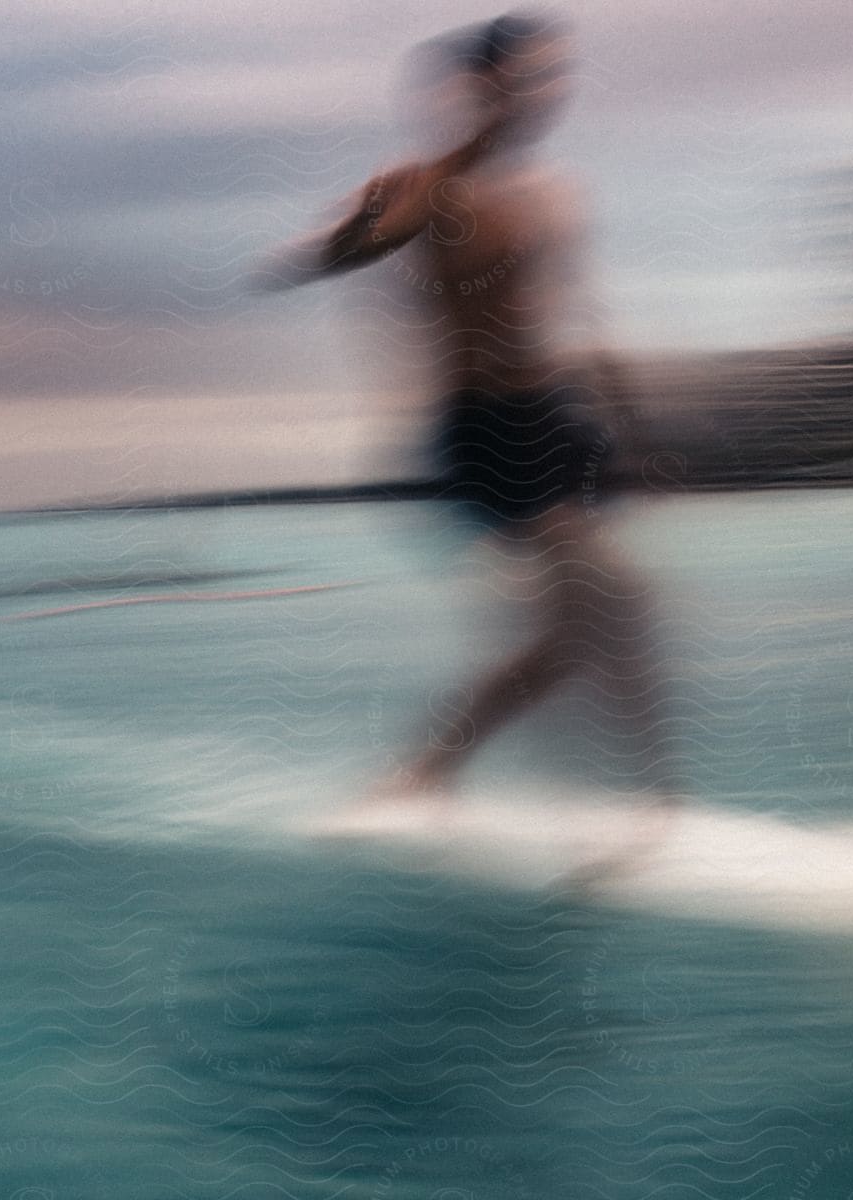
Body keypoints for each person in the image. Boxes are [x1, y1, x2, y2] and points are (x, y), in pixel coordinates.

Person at [253, 11, 679, 825]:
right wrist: (346, 232)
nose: (547, 95)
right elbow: (333, 260)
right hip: (489, 428)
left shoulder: (552, 195)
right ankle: (608, 799)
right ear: (482, 87)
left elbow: (582, 322)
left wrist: (639, 438)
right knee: (600, 612)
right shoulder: (427, 188)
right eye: (529, 77)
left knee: (605, 622)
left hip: (559, 419)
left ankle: (458, 774)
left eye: (556, 77)